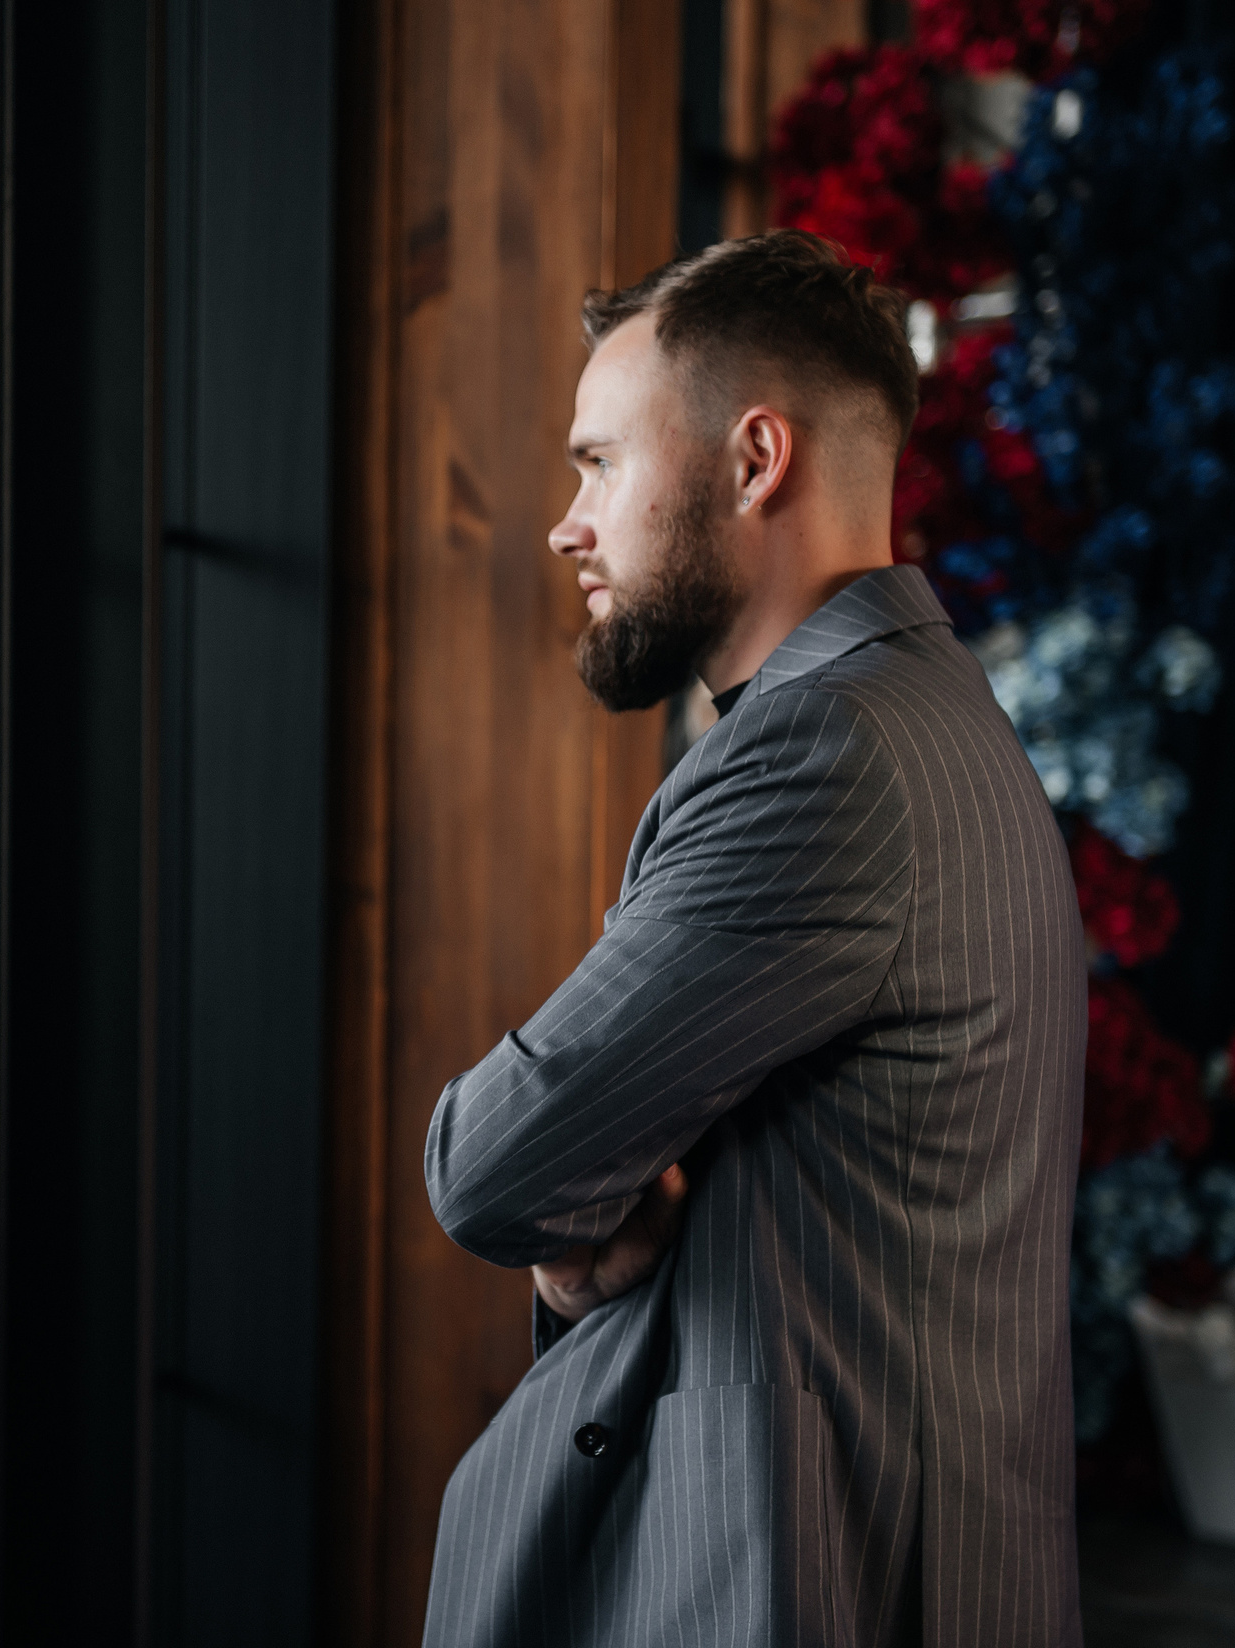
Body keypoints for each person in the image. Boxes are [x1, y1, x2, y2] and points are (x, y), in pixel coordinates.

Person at [422, 230, 1087, 1648]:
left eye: (601, 461)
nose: (565, 521)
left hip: (821, 1586)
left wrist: (564, 1222)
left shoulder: (822, 756)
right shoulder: (931, 718)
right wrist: (583, 1240)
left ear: (754, 456)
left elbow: (489, 1166)